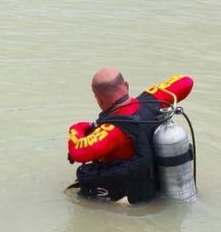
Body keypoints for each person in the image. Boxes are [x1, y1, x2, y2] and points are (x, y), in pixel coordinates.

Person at [67, 68, 193, 203]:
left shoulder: (111, 130)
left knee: (69, 194)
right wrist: (154, 91)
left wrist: (79, 127)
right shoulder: (155, 99)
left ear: (99, 100)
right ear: (126, 85)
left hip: (133, 198)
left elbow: (77, 152)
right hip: (166, 184)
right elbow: (187, 81)